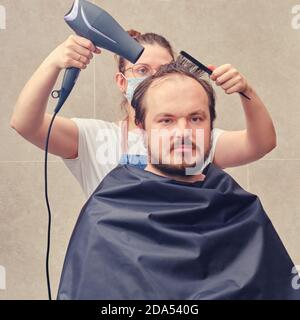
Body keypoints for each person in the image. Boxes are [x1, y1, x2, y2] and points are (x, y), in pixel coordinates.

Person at [57, 64, 298, 300]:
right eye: (166, 121)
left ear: (210, 125)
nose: (183, 132)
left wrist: (247, 92)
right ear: (141, 127)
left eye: (195, 119)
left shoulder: (239, 209)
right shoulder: (107, 216)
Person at [10, 30, 276, 198]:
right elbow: (24, 123)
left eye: (165, 70)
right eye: (142, 70)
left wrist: (245, 91)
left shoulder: (192, 137)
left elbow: (261, 143)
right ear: (122, 82)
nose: (155, 78)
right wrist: (55, 61)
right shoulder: (94, 138)